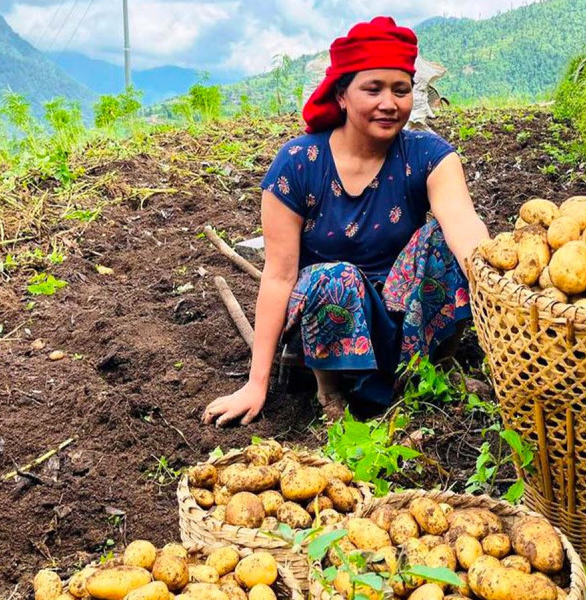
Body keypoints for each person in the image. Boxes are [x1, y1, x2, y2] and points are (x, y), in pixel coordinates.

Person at [203, 16, 489, 427]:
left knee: (443, 242)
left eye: (400, 89)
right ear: (341, 94)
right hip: (332, 322)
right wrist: (255, 383)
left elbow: (465, 228)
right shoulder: (299, 163)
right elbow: (279, 276)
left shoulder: (429, 155)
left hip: (403, 315)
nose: (389, 103)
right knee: (334, 277)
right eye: (372, 89)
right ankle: (330, 393)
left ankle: (435, 369)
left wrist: (500, 292)